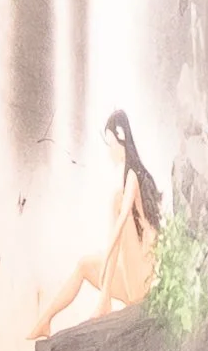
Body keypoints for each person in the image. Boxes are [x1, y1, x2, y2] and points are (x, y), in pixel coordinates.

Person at [31, 109, 162, 337]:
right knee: (84, 264)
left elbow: (122, 224)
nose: (109, 151)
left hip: (140, 282)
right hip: (134, 279)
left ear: (121, 138)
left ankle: (103, 302)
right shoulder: (130, 175)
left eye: (110, 144)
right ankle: (46, 320)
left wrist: (109, 250)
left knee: (117, 201)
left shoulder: (132, 176)